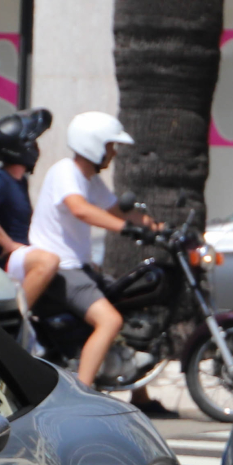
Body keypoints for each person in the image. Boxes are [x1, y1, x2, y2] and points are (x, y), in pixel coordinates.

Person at [27, 111, 159, 388]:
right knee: (110, 321)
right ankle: (83, 394)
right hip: (62, 270)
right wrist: (124, 229)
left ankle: (141, 395)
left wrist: (157, 228)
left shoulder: (90, 180)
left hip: (81, 268)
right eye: (110, 145)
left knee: (132, 303)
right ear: (93, 144)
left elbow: (118, 211)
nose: (113, 153)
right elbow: (80, 209)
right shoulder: (66, 171)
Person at [0, 108, 60, 315]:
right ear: (21, 147)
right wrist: (8, 244)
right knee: (48, 262)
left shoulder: (18, 181)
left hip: (19, 256)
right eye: (33, 143)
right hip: (4, 260)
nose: (37, 148)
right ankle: (14, 318)